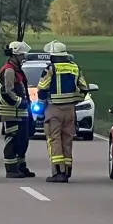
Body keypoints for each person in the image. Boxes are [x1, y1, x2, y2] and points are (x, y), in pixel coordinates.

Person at [36, 40, 88, 183]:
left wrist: (40, 109)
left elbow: (42, 91)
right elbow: (84, 89)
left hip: (53, 109)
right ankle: (67, 170)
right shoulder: (74, 68)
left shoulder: (50, 69)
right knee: (67, 140)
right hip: (70, 110)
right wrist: (74, 100)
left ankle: (58, 172)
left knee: (54, 140)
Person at [0, 41, 35, 179]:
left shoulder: (17, 70)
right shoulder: (9, 70)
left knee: (22, 141)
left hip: (21, 113)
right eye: (22, 55)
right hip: (11, 113)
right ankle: (11, 169)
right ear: (16, 55)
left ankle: (21, 167)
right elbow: (7, 92)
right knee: (12, 141)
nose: (24, 57)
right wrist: (21, 103)